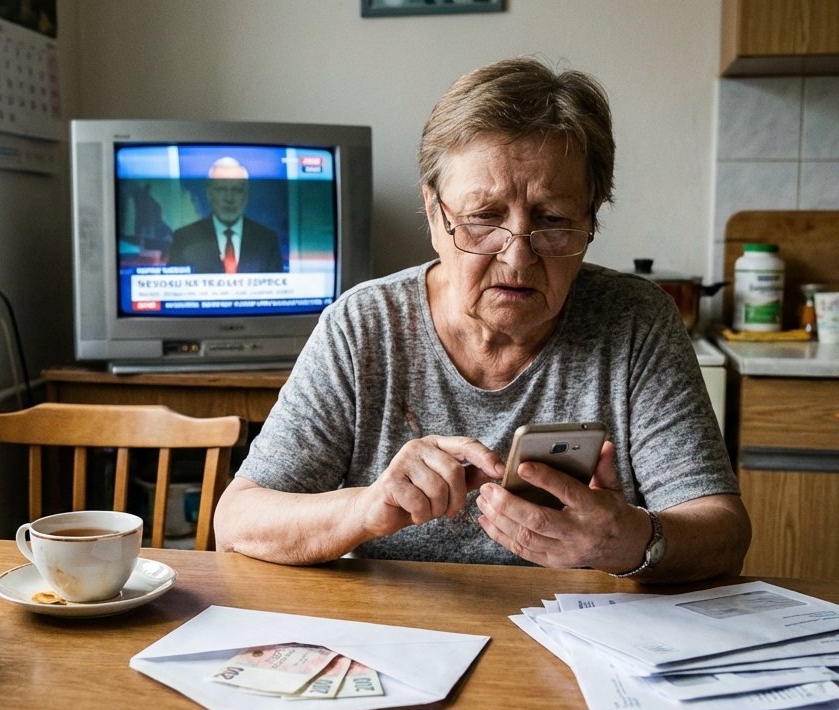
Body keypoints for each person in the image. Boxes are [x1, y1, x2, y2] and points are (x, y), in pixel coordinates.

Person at [215, 57, 750, 583]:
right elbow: (238, 522)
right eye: (483, 218)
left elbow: (724, 534)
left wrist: (634, 540)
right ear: (433, 213)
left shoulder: (635, 323)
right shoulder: (362, 328)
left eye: (555, 220)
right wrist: (366, 509)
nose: (518, 257)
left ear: (592, 218)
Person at [166, 157, 285, 274]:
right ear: (209, 193)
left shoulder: (267, 239)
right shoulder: (183, 238)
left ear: (246, 195)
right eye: (221, 189)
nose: (229, 198)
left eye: (237, 190)